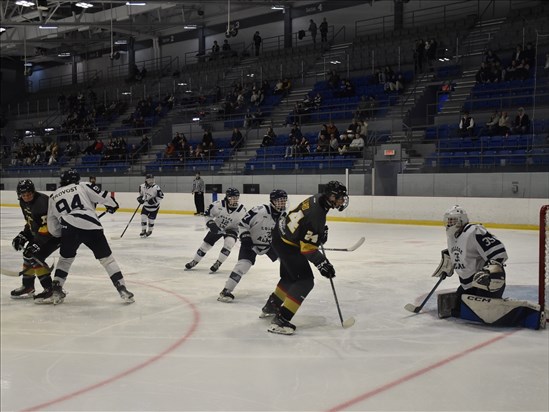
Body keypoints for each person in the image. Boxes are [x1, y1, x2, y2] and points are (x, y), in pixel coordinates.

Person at [260, 181, 349, 335]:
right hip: (287, 244)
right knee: (305, 281)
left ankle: (271, 306)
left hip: (280, 235)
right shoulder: (317, 215)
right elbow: (307, 249)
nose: (342, 200)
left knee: (289, 277)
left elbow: (304, 225)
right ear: (332, 196)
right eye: (340, 197)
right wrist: (322, 264)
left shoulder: (318, 198)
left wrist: (317, 235)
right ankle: (281, 321)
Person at [434, 206, 544, 329]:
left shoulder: (474, 231)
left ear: (461, 221)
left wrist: (490, 273)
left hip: (485, 283)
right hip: (467, 284)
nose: (449, 224)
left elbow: (499, 252)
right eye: (448, 221)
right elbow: (456, 253)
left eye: (452, 221)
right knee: (459, 310)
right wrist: (448, 264)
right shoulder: (452, 236)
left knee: (484, 314)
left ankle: (527, 314)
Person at [46, 169, 134, 304]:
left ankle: (56, 289)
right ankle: (122, 288)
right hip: (92, 226)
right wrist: (113, 205)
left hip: (69, 228)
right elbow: (103, 196)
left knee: (65, 260)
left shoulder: (53, 196)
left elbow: (52, 225)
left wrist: (62, 234)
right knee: (107, 260)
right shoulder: (82, 185)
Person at [218, 190, 288, 302]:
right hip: (251, 243)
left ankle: (287, 289)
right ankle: (226, 291)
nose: (282, 203)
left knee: (287, 263)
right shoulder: (260, 210)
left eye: (284, 201)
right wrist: (245, 237)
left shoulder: (284, 216)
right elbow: (242, 224)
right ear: (272, 201)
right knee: (242, 266)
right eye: (279, 201)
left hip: (269, 245)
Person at [10, 179, 61, 303]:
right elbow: (31, 223)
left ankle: (50, 289)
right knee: (28, 254)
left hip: (54, 235)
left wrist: (36, 244)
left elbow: (48, 227)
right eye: (24, 195)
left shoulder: (41, 202)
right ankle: (28, 286)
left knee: (34, 256)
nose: (26, 197)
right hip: (42, 234)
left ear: (33, 192)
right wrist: (23, 235)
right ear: (19, 195)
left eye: (29, 194)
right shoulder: (23, 202)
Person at [185, 188, 247, 273]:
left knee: (229, 243)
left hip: (232, 229)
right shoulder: (218, 205)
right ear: (227, 197)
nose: (235, 200)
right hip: (218, 227)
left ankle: (218, 263)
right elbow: (208, 215)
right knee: (205, 246)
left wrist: (244, 233)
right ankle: (194, 261)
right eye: (232, 197)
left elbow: (245, 224)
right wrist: (211, 224)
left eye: (236, 197)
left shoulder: (242, 210)